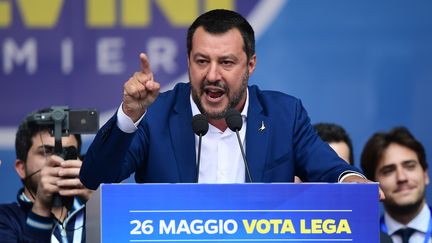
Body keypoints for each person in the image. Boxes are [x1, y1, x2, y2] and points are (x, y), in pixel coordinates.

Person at [80, 9, 380, 192]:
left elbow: (327, 167)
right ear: (187, 61)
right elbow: (95, 176)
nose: (212, 75)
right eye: (201, 61)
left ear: (250, 65)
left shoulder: (284, 115)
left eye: (226, 62)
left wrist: (351, 180)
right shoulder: (156, 114)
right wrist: (129, 115)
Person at [0, 108, 92, 242]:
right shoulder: (5, 219)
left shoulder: (97, 211)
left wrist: (101, 204)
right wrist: (41, 208)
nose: (57, 160)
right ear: (21, 168)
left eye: (68, 153)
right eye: (46, 152)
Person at [361, 127, 429, 243]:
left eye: (410, 166)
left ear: (425, 175)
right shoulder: (363, 238)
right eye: (388, 171)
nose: (401, 178)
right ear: (373, 184)